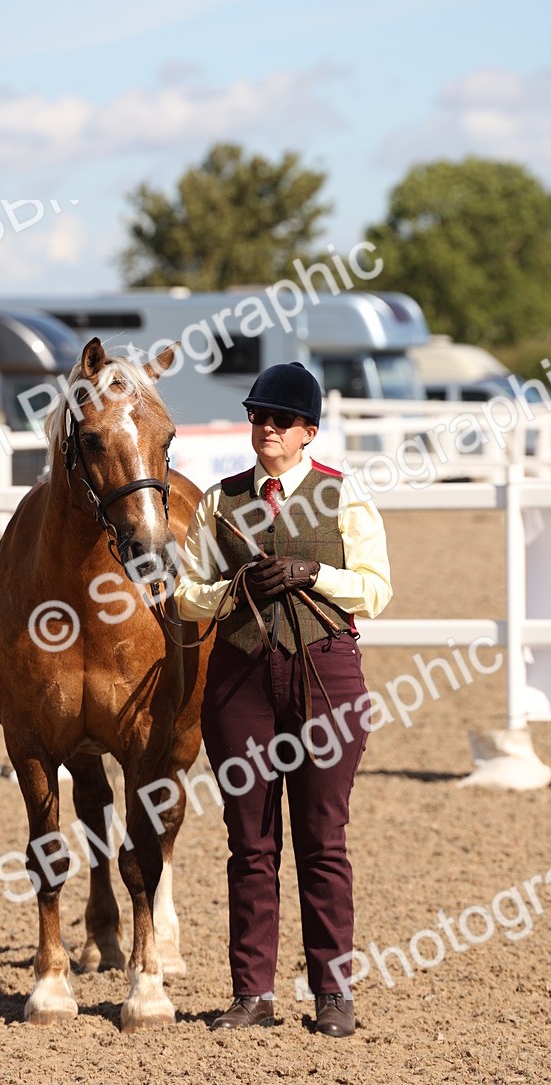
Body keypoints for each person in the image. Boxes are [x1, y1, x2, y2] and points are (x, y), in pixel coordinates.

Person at [173, 361, 392, 1036]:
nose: (263, 428)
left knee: (324, 840)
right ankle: (252, 995)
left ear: (308, 432)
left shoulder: (344, 497)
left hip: (327, 674)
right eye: (257, 417)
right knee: (250, 841)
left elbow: (377, 590)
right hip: (241, 679)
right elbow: (184, 594)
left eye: (278, 420)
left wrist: (312, 573)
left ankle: (333, 994)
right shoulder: (219, 501)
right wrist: (235, 590)